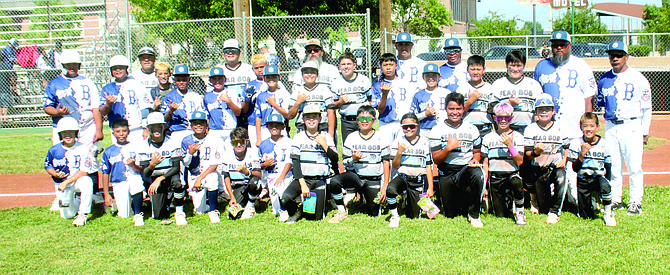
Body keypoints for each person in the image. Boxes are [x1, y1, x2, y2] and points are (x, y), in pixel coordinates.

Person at [533, 30, 597, 203]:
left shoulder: (581, 65)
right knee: (550, 165)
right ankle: (555, 201)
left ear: (570, 46)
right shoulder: (541, 66)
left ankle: (576, 200)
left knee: (573, 170)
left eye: (563, 45)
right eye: (555, 45)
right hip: (550, 128)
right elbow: (537, 97)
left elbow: (588, 97)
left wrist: (587, 126)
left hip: (574, 128)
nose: (559, 48)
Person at [596, 41, 652, 215]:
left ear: (626, 57)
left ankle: (635, 201)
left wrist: (645, 130)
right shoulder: (604, 79)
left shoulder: (638, 78)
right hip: (612, 125)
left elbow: (646, 107)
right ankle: (616, 199)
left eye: (619, 55)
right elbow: (602, 104)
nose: (615, 58)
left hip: (631, 124)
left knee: (634, 166)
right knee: (614, 165)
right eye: (612, 55)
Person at [43, 49, 104, 208]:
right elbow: (47, 107)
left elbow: (95, 108)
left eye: (75, 64)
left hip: (86, 126)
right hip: (63, 128)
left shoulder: (88, 82)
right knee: (61, 157)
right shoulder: (55, 83)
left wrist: (99, 129)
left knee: (90, 157)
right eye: (68, 64)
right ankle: (60, 194)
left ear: (79, 65)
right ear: (63, 65)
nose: (72, 67)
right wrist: (58, 112)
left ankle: (94, 192)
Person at [430, 92, 485, 228]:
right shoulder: (437, 130)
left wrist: (475, 160)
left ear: (463, 109)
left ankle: (474, 215)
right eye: (451, 109)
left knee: (478, 173)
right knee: (451, 214)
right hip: (446, 171)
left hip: (465, 169)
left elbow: (477, 152)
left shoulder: (472, 129)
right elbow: (436, 160)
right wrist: (448, 148)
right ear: (446, 109)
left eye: (458, 109)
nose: (455, 112)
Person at [328, 106, 391, 223]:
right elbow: (345, 163)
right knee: (334, 181)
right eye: (361, 119)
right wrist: (353, 159)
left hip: (374, 178)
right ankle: (341, 211)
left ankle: (366, 197)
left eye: (368, 118)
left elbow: (386, 163)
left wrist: (384, 186)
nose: (365, 121)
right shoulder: (351, 137)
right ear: (357, 121)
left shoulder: (381, 137)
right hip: (356, 177)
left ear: (374, 121)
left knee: (374, 213)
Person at [281, 104, 338, 224]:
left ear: (320, 119)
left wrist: (324, 144)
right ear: (303, 119)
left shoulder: (326, 136)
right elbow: (295, 163)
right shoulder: (298, 137)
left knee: (315, 218)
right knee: (286, 197)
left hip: (320, 180)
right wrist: (303, 185)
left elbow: (335, 158)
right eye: (308, 117)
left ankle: (325, 199)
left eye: (314, 117)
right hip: (303, 179)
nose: (311, 120)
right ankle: (294, 212)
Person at [523, 94, 569, 224]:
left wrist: (564, 160)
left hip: (554, 167)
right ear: (536, 112)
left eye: (548, 109)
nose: (544, 112)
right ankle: (536, 198)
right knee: (543, 208)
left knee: (562, 176)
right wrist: (536, 152)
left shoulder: (560, 127)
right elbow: (527, 154)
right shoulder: (530, 129)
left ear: (553, 111)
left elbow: (566, 147)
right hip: (538, 168)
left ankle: (554, 212)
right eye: (541, 109)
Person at [43, 117, 95, 227]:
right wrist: (55, 174)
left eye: (71, 132)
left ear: (76, 133)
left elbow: (84, 171)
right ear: (60, 135)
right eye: (64, 132)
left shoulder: (82, 148)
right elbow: (48, 165)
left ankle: (83, 214)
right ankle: (75, 201)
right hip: (62, 184)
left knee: (87, 182)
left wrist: (66, 182)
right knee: (67, 215)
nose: (68, 135)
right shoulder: (54, 149)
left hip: (76, 180)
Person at [568, 112, 616, 226]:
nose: (588, 129)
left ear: (597, 127)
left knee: (605, 185)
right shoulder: (576, 143)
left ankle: (608, 213)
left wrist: (607, 182)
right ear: (580, 127)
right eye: (585, 126)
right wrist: (582, 154)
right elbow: (575, 168)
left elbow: (608, 167)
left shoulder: (604, 144)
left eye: (592, 126)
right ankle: (592, 202)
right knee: (586, 216)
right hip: (583, 179)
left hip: (598, 178)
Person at [386, 113, 434, 228]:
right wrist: (399, 151)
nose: (408, 129)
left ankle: (408, 199)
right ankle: (394, 216)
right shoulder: (398, 141)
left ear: (417, 126)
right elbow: (395, 166)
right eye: (405, 126)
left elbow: (428, 167)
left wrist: (430, 187)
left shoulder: (425, 142)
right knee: (390, 189)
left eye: (412, 126)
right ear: (401, 127)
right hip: (403, 177)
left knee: (417, 215)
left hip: (418, 180)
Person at [481, 103, 526, 225]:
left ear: (512, 118)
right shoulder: (488, 138)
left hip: (512, 174)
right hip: (495, 177)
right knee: (499, 215)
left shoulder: (518, 137)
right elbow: (486, 163)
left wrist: (510, 146)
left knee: (517, 182)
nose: (503, 120)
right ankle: (505, 204)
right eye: (500, 117)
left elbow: (519, 161)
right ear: (495, 118)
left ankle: (520, 212)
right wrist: (484, 186)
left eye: (507, 117)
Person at [137, 112, 184, 224]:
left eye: (159, 126)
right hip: (154, 178)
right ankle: (166, 202)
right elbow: (146, 173)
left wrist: (160, 178)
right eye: (153, 127)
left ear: (164, 126)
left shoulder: (173, 142)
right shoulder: (143, 146)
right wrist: (152, 165)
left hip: (169, 175)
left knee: (178, 182)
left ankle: (179, 212)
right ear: (148, 128)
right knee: (159, 215)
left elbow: (176, 168)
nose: (156, 129)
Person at [100, 118, 146, 226]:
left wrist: (133, 165)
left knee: (136, 181)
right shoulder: (109, 151)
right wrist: (106, 194)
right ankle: (117, 204)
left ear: (128, 132)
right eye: (117, 131)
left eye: (124, 131)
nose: (121, 134)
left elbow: (141, 169)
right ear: (113, 133)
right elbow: (105, 172)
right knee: (124, 215)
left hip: (134, 177)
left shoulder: (135, 147)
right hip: (119, 182)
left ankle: (138, 213)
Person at [181, 111, 225, 223]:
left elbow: (215, 164)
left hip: (208, 172)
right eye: (195, 123)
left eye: (201, 123)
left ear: (206, 125)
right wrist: (190, 153)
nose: (198, 125)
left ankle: (213, 210)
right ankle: (207, 204)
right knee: (199, 210)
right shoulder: (186, 140)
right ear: (191, 126)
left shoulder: (215, 140)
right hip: (194, 174)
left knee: (212, 178)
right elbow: (185, 164)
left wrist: (200, 178)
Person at [99, 55, 153, 144]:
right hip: (118, 130)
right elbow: (102, 111)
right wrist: (108, 104)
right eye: (115, 68)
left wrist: (145, 128)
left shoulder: (136, 85)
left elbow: (145, 108)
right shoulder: (107, 88)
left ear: (126, 69)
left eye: (121, 68)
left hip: (136, 128)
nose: (118, 70)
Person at [491, 50, 543, 133]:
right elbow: (490, 109)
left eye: (519, 66)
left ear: (524, 66)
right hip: (506, 130)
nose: (515, 69)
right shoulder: (498, 84)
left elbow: (541, 107)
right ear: (507, 66)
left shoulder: (534, 84)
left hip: (529, 130)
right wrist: (509, 104)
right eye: (512, 65)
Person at [371, 53, 417, 144]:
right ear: (381, 67)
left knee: (402, 149)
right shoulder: (377, 86)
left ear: (396, 66)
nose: (388, 68)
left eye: (391, 65)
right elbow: (380, 110)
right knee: (387, 151)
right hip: (386, 123)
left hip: (402, 122)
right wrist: (385, 94)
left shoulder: (406, 83)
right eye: (385, 65)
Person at [258, 114, 293, 220]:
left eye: (277, 125)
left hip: (287, 175)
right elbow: (258, 165)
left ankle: (287, 208)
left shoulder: (289, 142)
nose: (274, 128)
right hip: (271, 175)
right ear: (267, 127)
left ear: (283, 127)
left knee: (282, 192)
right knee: (276, 210)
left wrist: (282, 176)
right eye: (271, 125)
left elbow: (289, 161)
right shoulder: (264, 144)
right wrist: (265, 164)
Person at [222, 127, 262, 220]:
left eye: (242, 142)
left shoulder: (253, 153)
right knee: (233, 216)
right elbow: (226, 177)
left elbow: (259, 175)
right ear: (231, 143)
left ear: (247, 142)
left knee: (255, 182)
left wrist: (247, 172)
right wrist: (231, 197)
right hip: (238, 187)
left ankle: (251, 206)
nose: (239, 145)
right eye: (235, 142)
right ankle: (250, 202)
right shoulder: (227, 155)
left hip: (250, 184)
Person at [287, 61, 336, 138]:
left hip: (322, 128)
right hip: (303, 129)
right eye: (306, 72)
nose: (309, 74)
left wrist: (330, 134)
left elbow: (331, 113)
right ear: (302, 75)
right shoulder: (297, 91)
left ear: (317, 74)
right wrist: (298, 102)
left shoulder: (325, 89)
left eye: (312, 72)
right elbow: (290, 116)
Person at [331, 52, 372, 142]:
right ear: (339, 66)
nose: (346, 67)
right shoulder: (336, 83)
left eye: (349, 64)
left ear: (354, 65)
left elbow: (370, 100)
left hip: (363, 120)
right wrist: (341, 102)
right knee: (348, 147)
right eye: (343, 64)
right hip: (347, 121)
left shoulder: (364, 80)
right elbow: (333, 106)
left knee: (364, 145)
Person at [161, 64, 204, 143]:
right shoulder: (170, 96)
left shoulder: (195, 96)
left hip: (193, 131)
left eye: (184, 79)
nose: (181, 82)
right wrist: (171, 111)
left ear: (189, 79)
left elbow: (202, 117)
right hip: (177, 132)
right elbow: (164, 119)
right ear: (174, 80)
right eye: (178, 80)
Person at [218, 39, 256, 127]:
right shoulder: (219, 71)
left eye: (233, 50)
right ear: (223, 53)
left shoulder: (249, 69)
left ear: (239, 52)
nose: (230, 53)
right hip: (228, 112)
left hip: (248, 111)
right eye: (227, 51)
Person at [455, 55, 495, 137]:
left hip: (485, 129)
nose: (475, 72)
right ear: (467, 70)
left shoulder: (490, 88)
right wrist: (470, 101)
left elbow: (493, 112)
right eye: (472, 69)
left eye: (478, 69)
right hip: (466, 128)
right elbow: (458, 113)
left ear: (484, 70)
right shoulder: (461, 89)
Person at [203, 67, 242, 145]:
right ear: (210, 80)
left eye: (220, 78)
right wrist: (206, 130)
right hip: (215, 131)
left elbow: (238, 113)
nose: (217, 81)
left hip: (230, 129)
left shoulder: (232, 93)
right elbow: (207, 116)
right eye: (214, 79)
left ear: (225, 79)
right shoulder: (207, 96)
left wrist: (228, 101)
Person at [409, 63, 449, 138]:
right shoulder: (418, 95)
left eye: (434, 75)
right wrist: (425, 114)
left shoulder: (446, 93)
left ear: (439, 77)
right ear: (423, 77)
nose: (431, 78)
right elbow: (412, 118)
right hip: (425, 131)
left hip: (443, 129)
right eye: (428, 76)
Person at [254, 65, 290, 147]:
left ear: (279, 78)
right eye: (268, 77)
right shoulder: (261, 96)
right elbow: (258, 117)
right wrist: (259, 138)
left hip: (280, 128)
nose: (271, 79)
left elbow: (287, 115)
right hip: (265, 129)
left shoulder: (285, 94)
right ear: (264, 79)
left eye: (274, 77)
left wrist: (274, 103)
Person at [0, 53, 16, 123]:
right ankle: (4, 117)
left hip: (4, 88)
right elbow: (11, 77)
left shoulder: (6, 67)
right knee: (5, 104)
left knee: (1, 104)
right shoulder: (6, 66)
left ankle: (1, 118)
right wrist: (13, 85)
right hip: (5, 88)